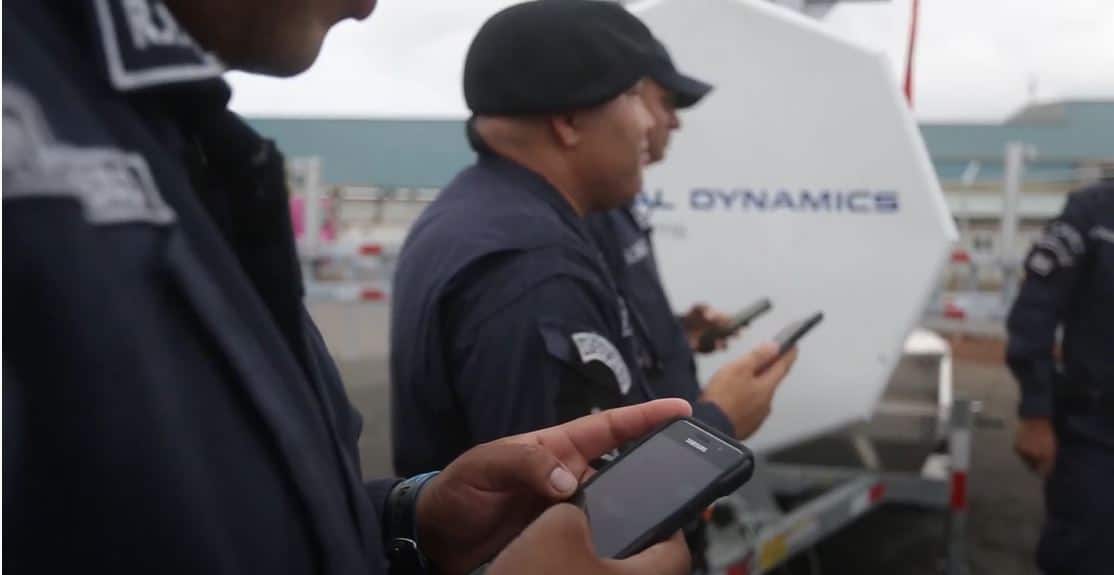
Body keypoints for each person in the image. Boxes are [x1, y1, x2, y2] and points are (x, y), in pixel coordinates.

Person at [3, 0, 692, 573]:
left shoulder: (161, 139)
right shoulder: (43, 149)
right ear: (569, 120)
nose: (369, 6)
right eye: (639, 96)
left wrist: (409, 521)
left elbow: (187, 512)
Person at [390, 1, 797, 477]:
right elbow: (584, 514)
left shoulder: (480, 215)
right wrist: (719, 422)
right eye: (632, 97)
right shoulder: (534, 268)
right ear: (569, 122)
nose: (649, 124)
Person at [585, 37, 795, 444]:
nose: (670, 122)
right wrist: (718, 423)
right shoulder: (585, 214)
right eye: (666, 101)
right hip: (653, 475)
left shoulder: (615, 203)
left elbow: (610, 332)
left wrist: (674, 335)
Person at [1005, 178, 1114, 575]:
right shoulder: (1092, 216)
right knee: (1087, 556)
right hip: (1096, 437)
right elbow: (1034, 314)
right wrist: (1036, 413)